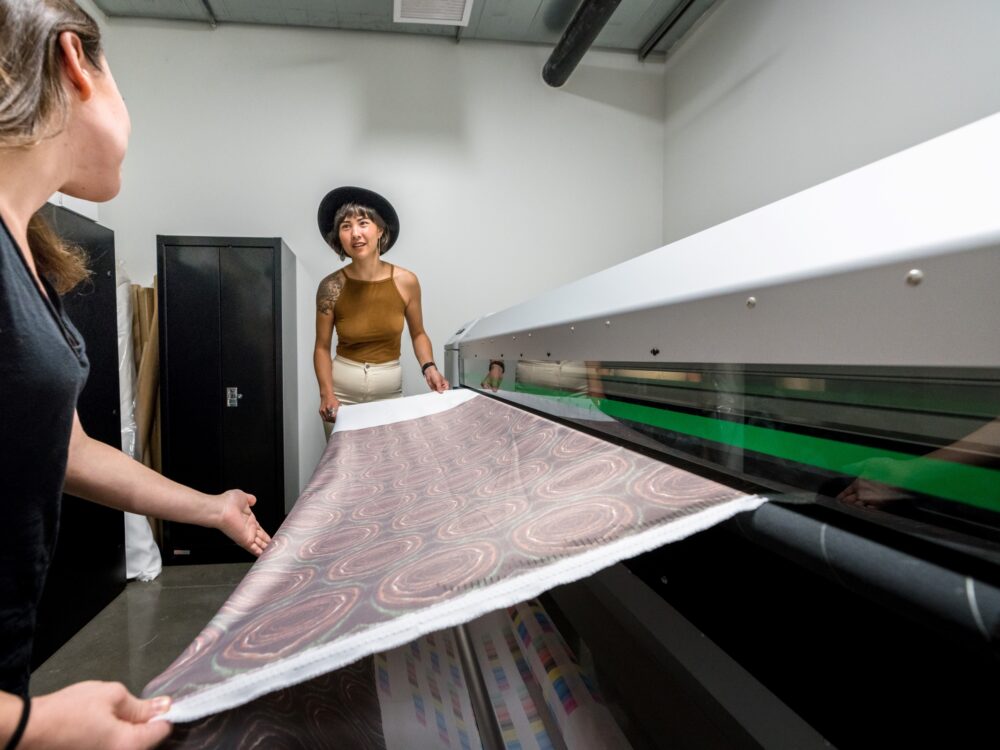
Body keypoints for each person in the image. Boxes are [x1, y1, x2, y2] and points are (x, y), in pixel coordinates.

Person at [0, 2, 270, 747]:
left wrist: (209, 508)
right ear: (74, 64)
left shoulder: (28, 254)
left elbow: (67, 449)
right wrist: (31, 727)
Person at [313, 186, 449, 434]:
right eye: (346, 226)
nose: (355, 233)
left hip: (389, 393)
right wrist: (327, 394)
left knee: (387, 467)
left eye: (363, 223)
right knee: (344, 469)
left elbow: (418, 333)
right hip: (341, 397)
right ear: (339, 238)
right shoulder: (330, 287)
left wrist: (429, 367)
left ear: (380, 230)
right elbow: (322, 347)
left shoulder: (406, 281)